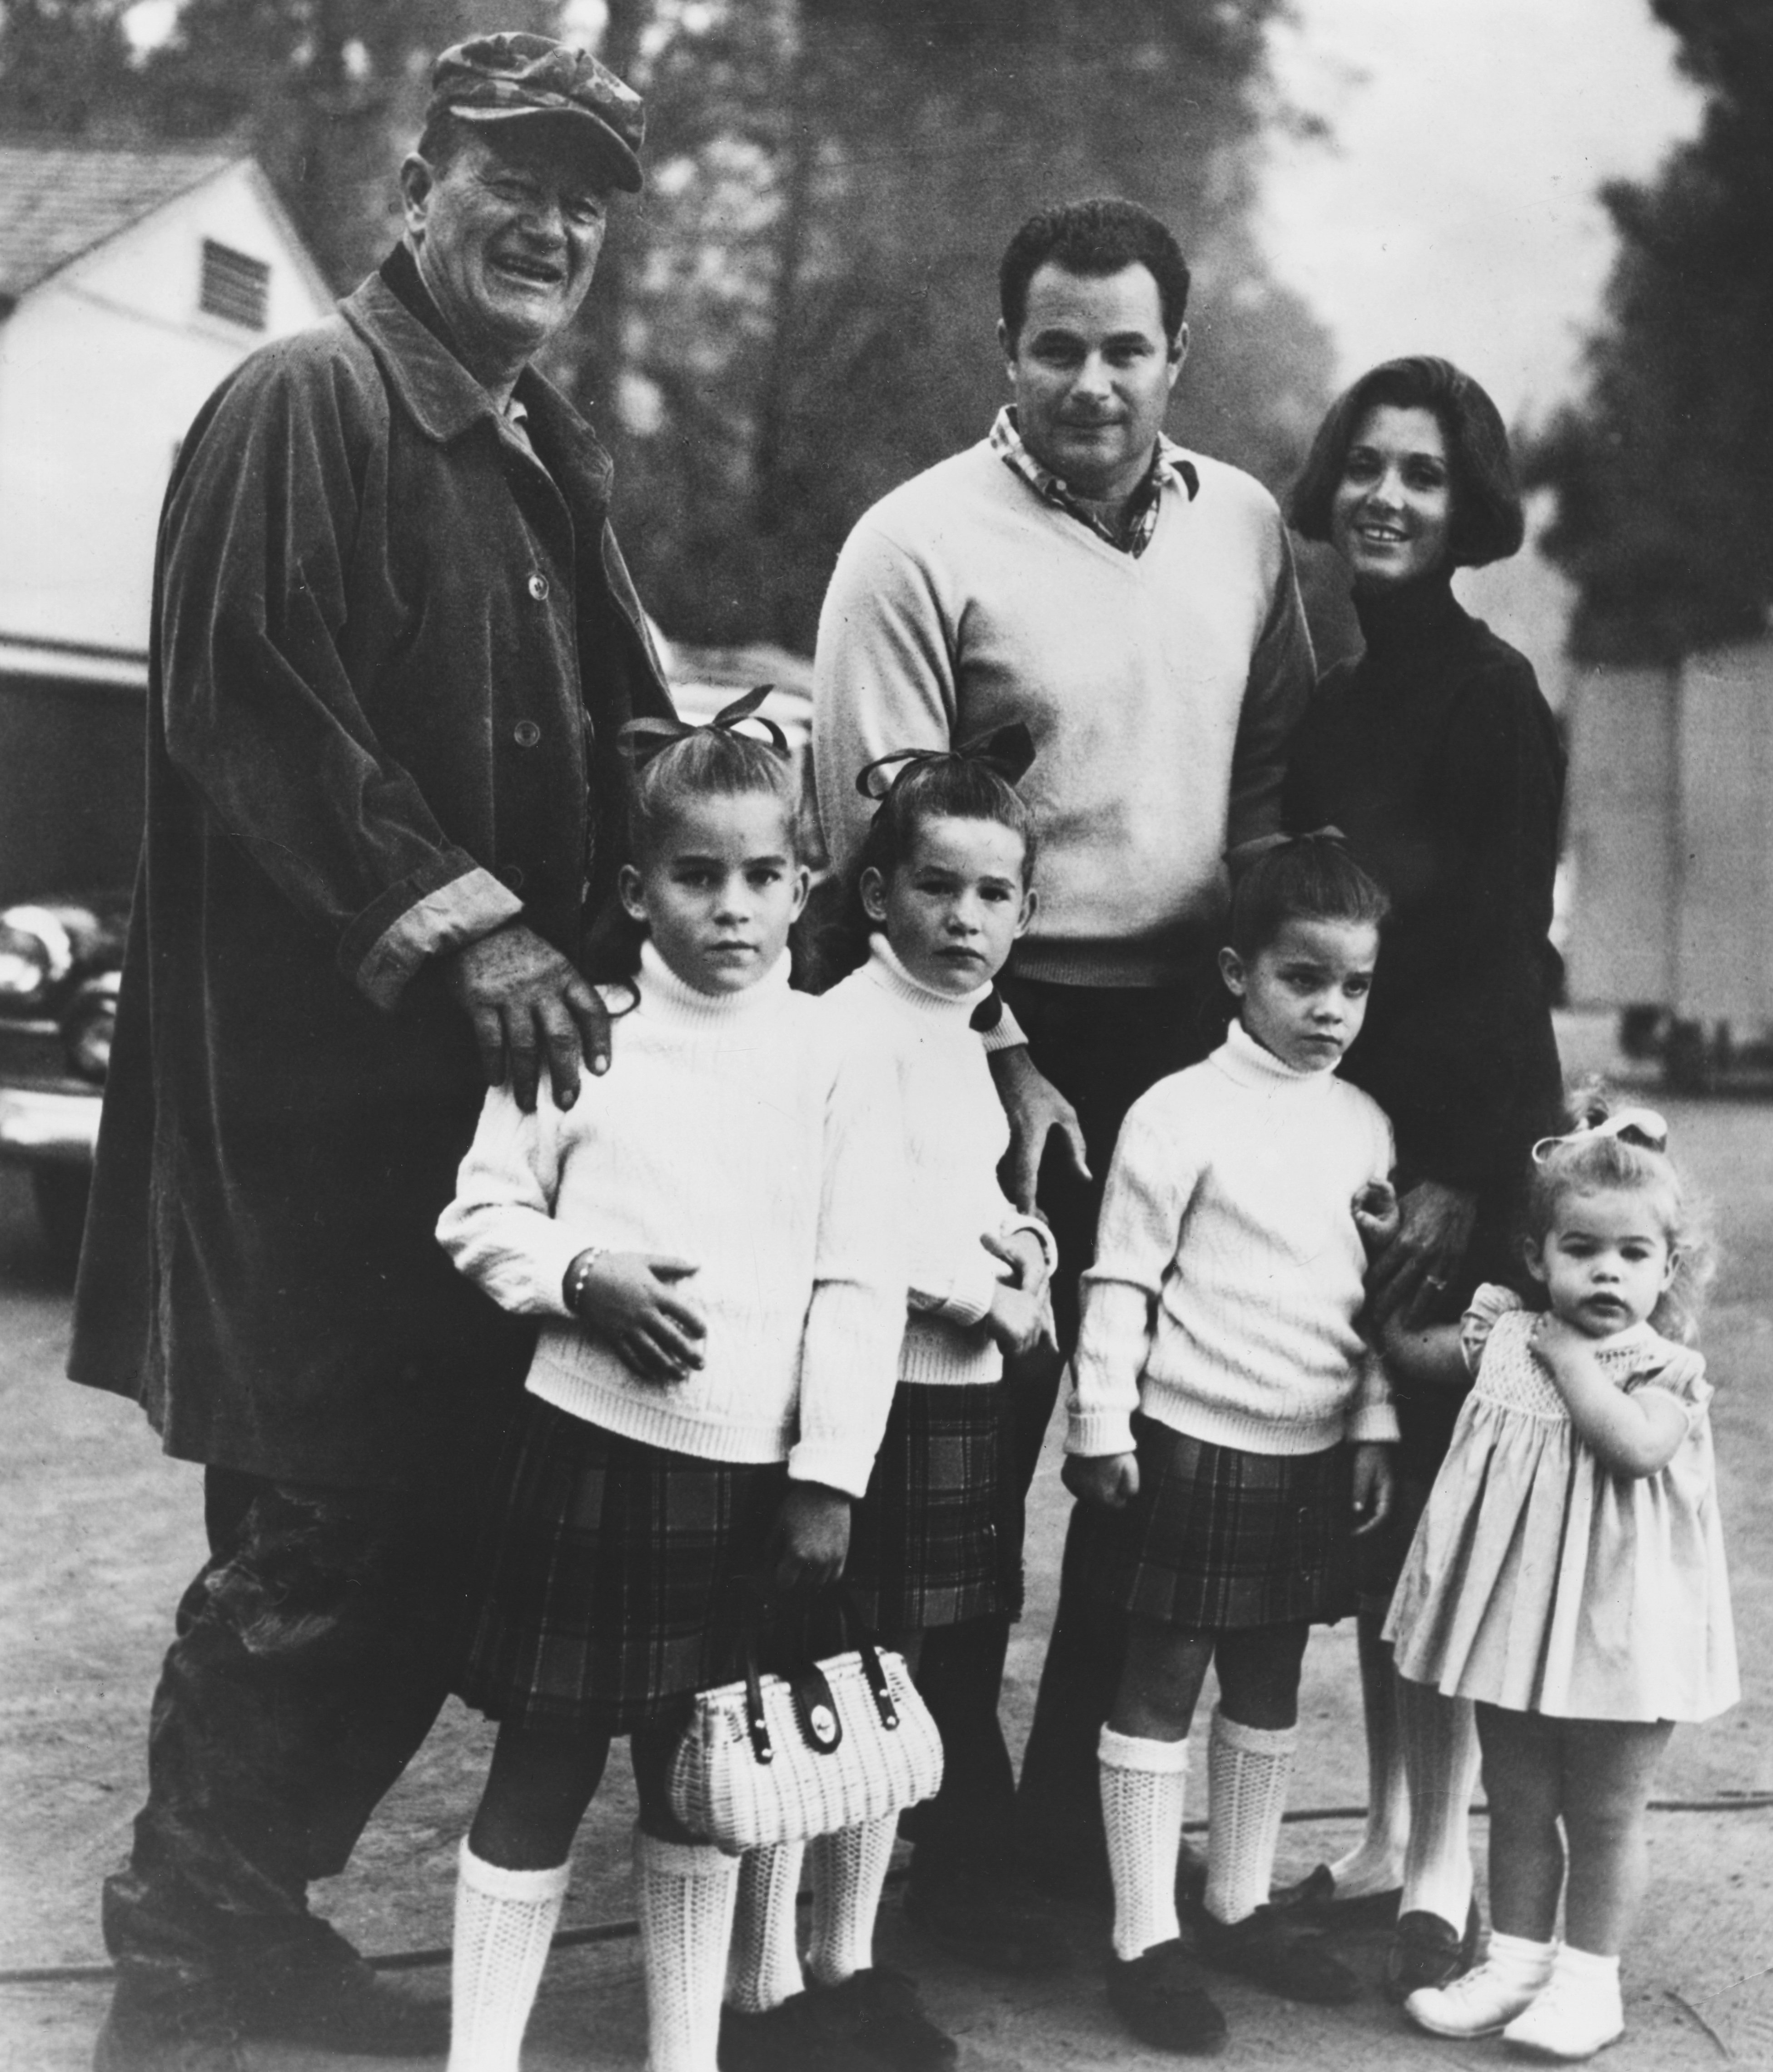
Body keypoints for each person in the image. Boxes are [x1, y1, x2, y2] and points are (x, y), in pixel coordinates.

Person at [68, 32, 669, 2071]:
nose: (553, 223)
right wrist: (474, 918)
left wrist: (732, 827)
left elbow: (633, 717)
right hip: (316, 1119)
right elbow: (252, 703)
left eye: (587, 197)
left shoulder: (537, 449)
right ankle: (180, 1964)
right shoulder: (303, 397)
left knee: (427, 1535)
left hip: (479, 1129)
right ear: (421, 182)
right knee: (322, 1540)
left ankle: (245, 1916)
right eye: (516, 176)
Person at [813, 194, 1316, 1910]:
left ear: (1178, 356)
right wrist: (1005, 1048)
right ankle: (934, 1825)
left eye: (1125, 350)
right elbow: (876, 829)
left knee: (1150, 1442)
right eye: (1056, 348)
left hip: (1187, 1034)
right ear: (1005, 352)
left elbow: (1264, 772)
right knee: (957, 1444)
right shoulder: (913, 542)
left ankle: (1075, 1846)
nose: (1091, 384)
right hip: (979, 1031)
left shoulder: (1243, 523)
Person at [435, 713, 907, 2072]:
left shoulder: (834, 1055)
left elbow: (856, 1281)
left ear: (804, 882)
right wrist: (580, 1276)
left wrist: (827, 1473)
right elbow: (480, 1212)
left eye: (763, 874)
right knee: (541, 1760)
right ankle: (483, 2055)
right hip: (588, 1450)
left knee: (702, 1780)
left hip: (750, 1478)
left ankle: (681, 2051)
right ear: (641, 891)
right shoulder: (587, 1038)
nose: (733, 904)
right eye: (698, 875)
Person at [1280, 354, 1566, 2000]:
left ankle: (1448, 1869)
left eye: (1426, 474)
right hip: (1351, 1151)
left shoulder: (1490, 694)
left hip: (1457, 1154)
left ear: (1469, 510)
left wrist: (1464, 1177)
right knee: (1372, 1520)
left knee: (1447, 1528)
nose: (1388, 496)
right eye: (1367, 467)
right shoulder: (1331, 705)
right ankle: (1390, 1837)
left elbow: (1500, 960)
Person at [723, 732, 1058, 2071]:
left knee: (895, 1698)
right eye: (935, 886)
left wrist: (1024, 1251)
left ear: (1027, 911)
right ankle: (764, 1976)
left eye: (994, 895)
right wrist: (985, 1299)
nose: (964, 917)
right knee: (816, 1686)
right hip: (873, 1408)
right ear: (874, 896)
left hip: (959, 1407)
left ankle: (848, 1962)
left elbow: (974, 1194)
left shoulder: (961, 1032)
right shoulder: (843, 1030)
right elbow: (844, 1226)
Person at [1061, 836, 1400, 2053]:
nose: (1327, 1008)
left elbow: (1366, 1301)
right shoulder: (1176, 1111)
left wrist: (1367, 1424)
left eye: (1351, 986)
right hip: (1192, 1439)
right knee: (1160, 1677)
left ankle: (1236, 1900)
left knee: (1267, 1679)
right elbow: (1117, 1282)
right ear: (1233, 971)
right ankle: (1142, 1932)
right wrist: (1099, 1419)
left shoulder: (1362, 1122)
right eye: (1300, 977)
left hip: (1308, 1445)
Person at [1385, 1110, 1737, 2060]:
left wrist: (1575, 1362)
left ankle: (1589, 1981)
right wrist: (1382, 1300)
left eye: (1633, 1253)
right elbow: (1415, 1361)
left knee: (1604, 1811)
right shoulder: (1504, 1330)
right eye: (1581, 1249)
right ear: (1537, 1257)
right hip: (1518, 1615)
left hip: (1624, 1628)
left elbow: (1631, 1449)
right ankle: (1518, 1960)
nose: (1607, 1271)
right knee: (1517, 1796)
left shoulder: (1664, 1370)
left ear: (1670, 1270)